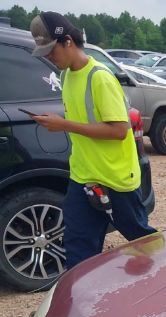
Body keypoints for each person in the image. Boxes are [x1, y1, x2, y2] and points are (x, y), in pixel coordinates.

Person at [28, 11, 156, 270]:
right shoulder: (66, 76)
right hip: (83, 176)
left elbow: (120, 130)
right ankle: (81, 305)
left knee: (141, 239)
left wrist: (62, 125)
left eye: (52, 51)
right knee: (77, 247)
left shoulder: (100, 77)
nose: (50, 59)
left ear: (68, 42)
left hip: (115, 178)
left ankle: (164, 277)